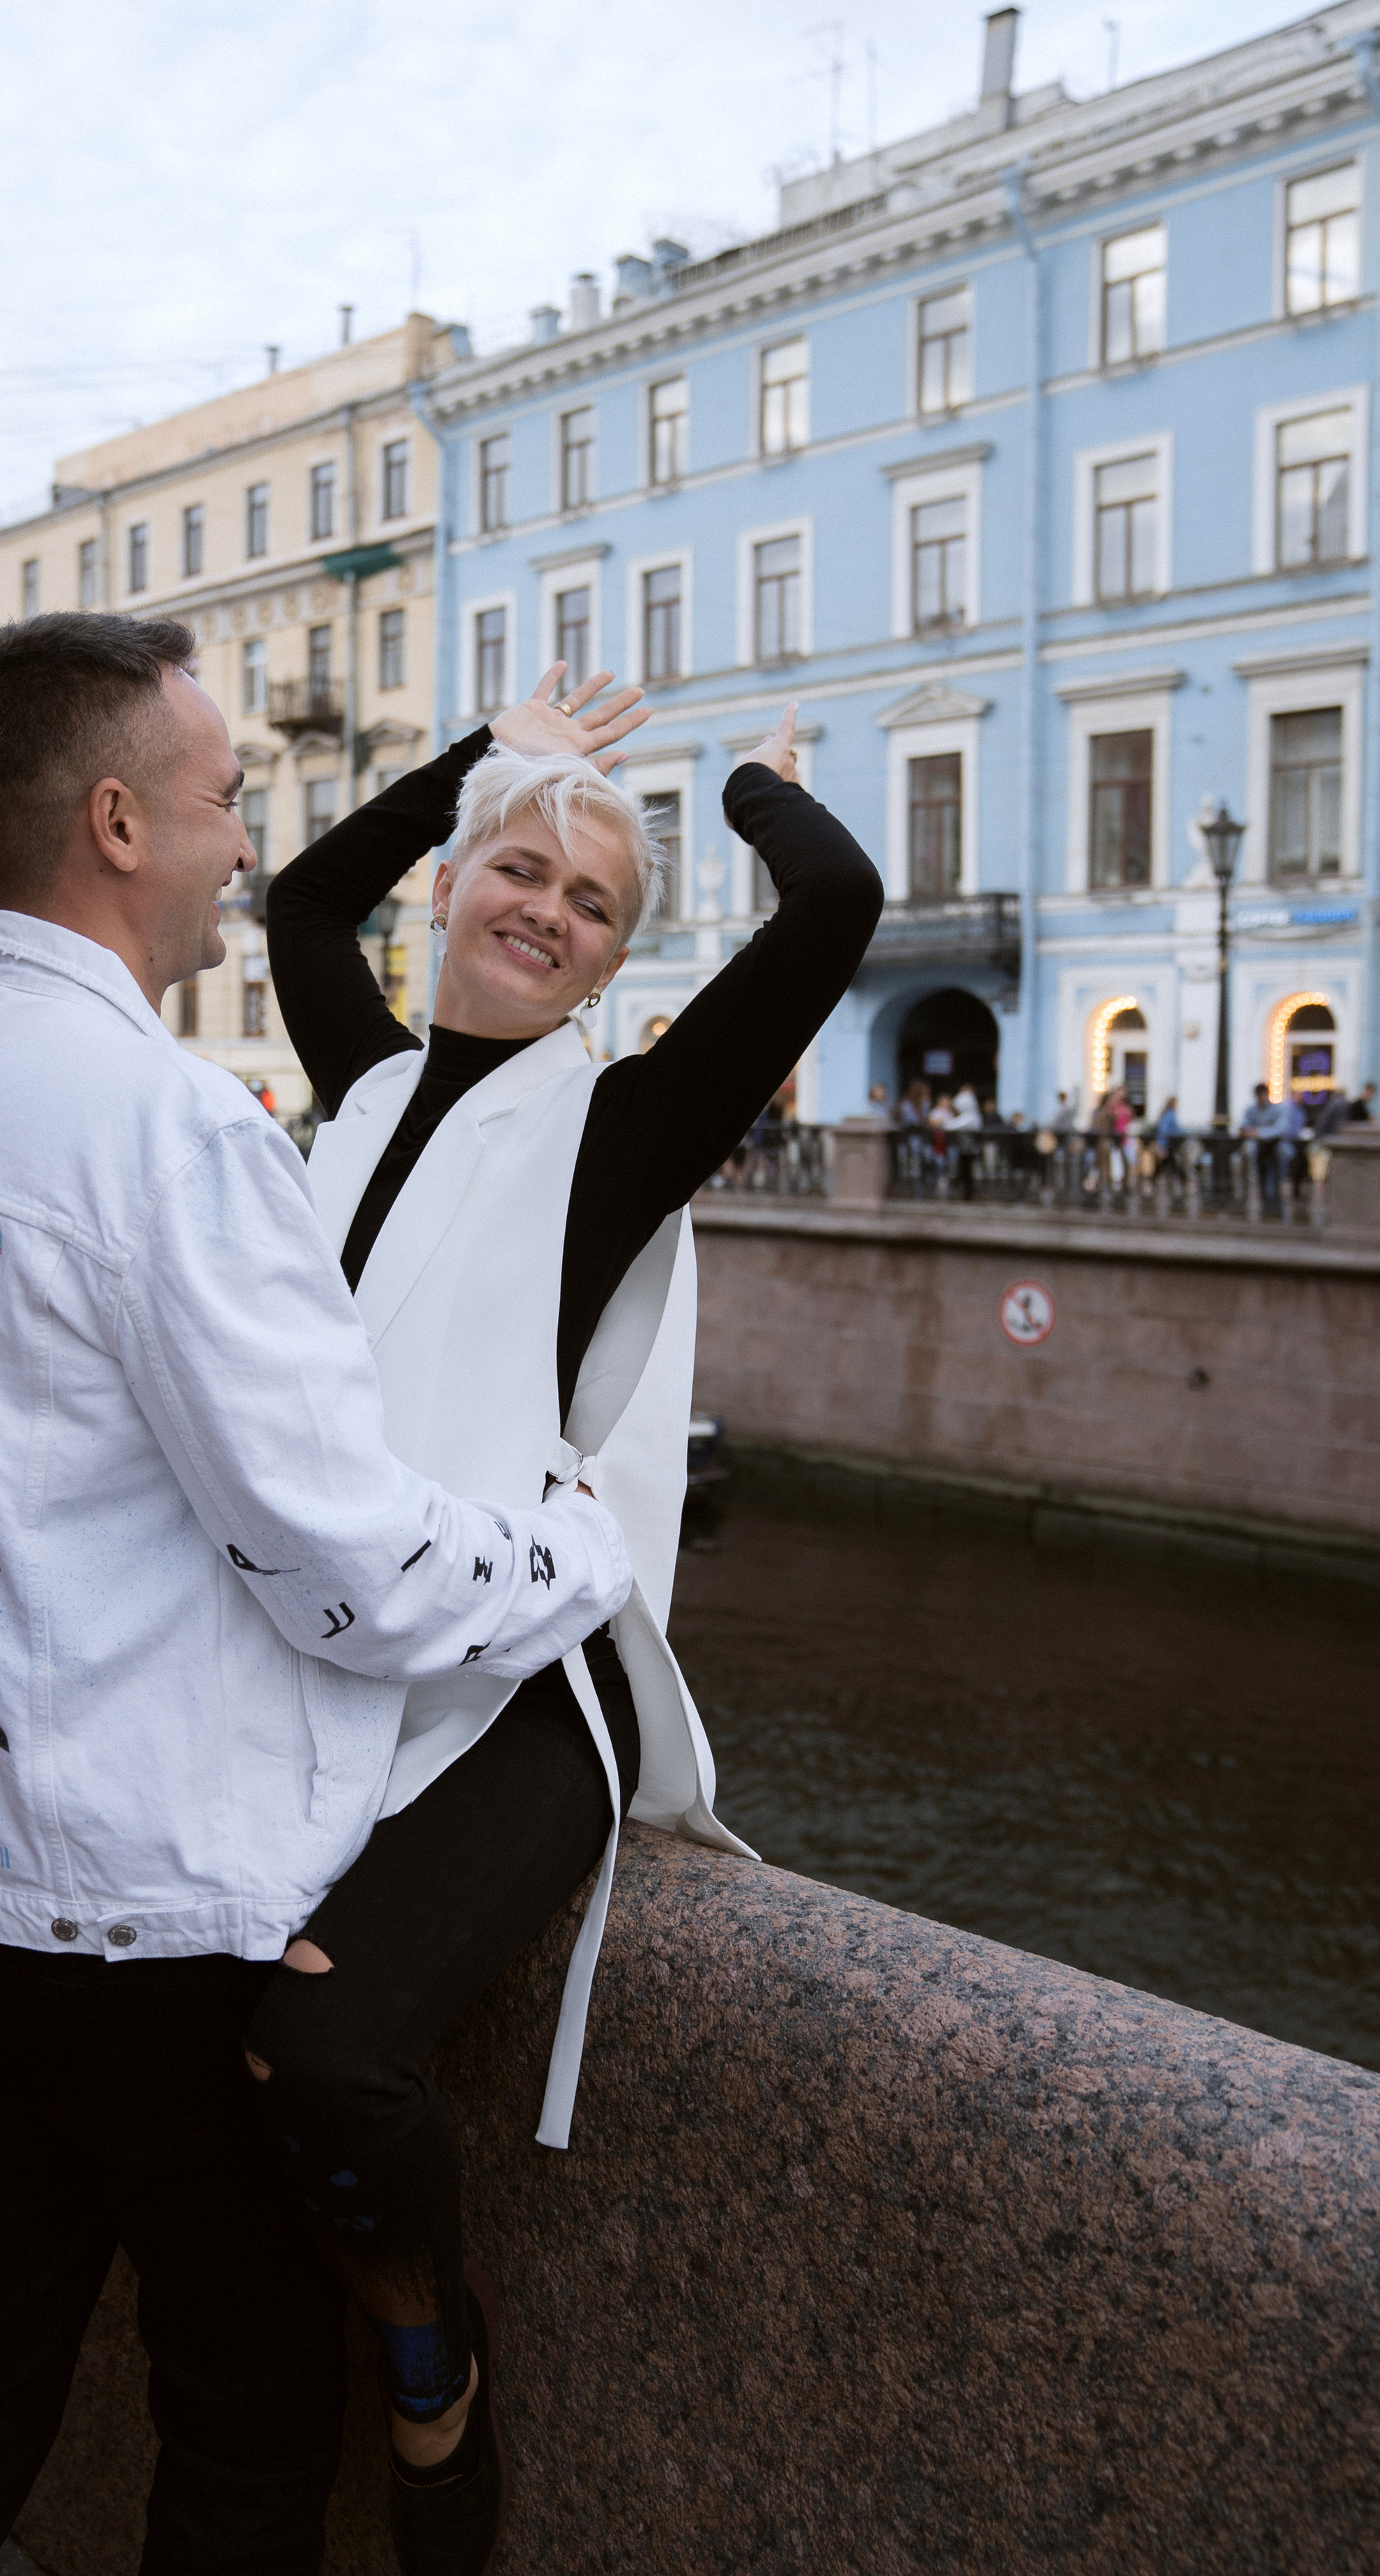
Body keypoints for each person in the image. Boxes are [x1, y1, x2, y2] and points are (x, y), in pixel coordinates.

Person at [0, 613, 633, 2576]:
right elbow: (347, 1565)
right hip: (141, 1916)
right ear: (116, 821)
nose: (245, 841)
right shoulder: (169, 1130)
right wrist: (582, 1551)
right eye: (222, 799)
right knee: (251, 2417)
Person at [263, 670, 881, 2568]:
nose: (540, 907)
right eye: (511, 872)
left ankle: (433, 2366)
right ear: (447, 889)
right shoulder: (358, 1079)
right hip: (315, 1643)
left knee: (337, 2045)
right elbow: (297, 904)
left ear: (614, 961)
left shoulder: (622, 1126)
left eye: (589, 903)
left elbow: (837, 913)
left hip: (531, 1686)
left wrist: (751, 790)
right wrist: (489, 759)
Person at [1241, 1079, 1284, 1210]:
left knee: (1279, 1167)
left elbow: (1279, 1129)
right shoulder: (1251, 1110)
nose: (1261, 1099)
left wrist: (1258, 1133)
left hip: (1274, 1147)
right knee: (1257, 1167)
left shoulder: (1276, 1110)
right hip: (1259, 1148)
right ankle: (1264, 1197)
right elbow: (1244, 1127)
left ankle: (1274, 1198)